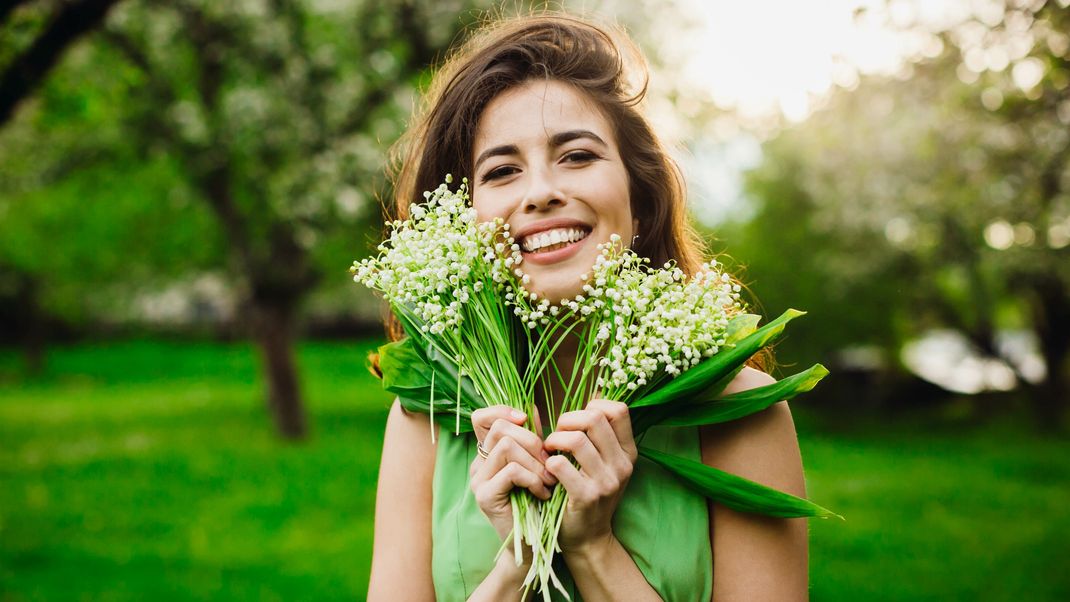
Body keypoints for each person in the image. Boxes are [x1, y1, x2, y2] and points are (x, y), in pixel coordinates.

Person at [368, 12, 807, 602]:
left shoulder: (737, 411)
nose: (541, 191)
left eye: (576, 156)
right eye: (501, 171)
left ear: (640, 202)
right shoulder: (424, 416)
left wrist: (592, 547)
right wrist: (520, 559)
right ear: (459, 223)